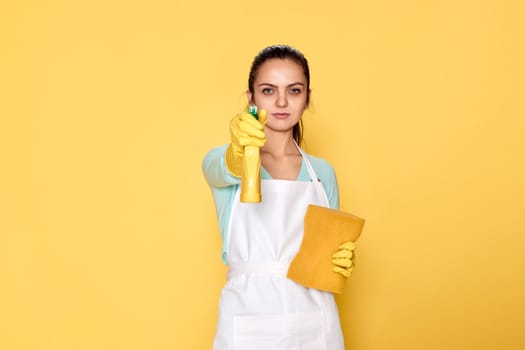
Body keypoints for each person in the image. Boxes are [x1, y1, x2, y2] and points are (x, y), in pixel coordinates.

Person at [202, 45, 356, 350]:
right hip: (249, 317)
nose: (282, 102)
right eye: (269, 90)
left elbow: (327, 255)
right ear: (251, 98)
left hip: (315, 321)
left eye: (294, 90)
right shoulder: (220, 161)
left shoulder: (322, 174)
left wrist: (340, 262)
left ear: (307, 98)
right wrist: (240, 154)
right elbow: (226, 168)